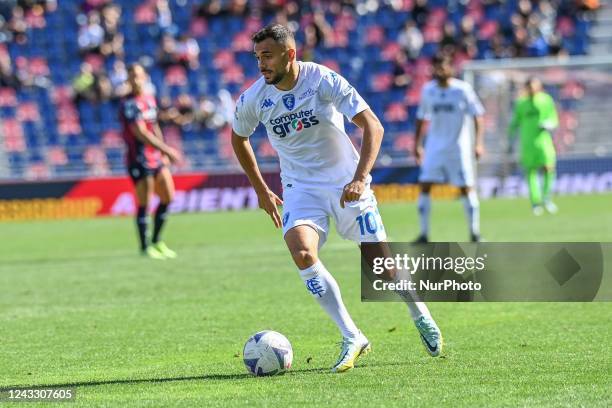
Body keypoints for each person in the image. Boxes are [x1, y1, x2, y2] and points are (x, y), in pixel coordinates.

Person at [231, 24, 442, 373]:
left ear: (290, 54)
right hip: (300, 189)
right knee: (301, 251)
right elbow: (239, 138)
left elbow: (373, 125)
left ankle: (419, 312)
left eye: (267, 56)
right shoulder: (255, 98)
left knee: (383, 269)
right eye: (257, 58)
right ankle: (352, 335)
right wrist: (261, 189)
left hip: (346, 184)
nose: (261, 65)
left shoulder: (322, 80)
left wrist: (361, 178)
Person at [413, 54, 485, 243]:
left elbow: (478, 115)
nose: (439, 71)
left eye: (443, 67)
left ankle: (474, 233)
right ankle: (424, 234)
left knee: (466, 188)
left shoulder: (462, 90)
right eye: (436, 68)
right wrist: (417, 145)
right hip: (434, 148)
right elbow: (421, 118)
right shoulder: (428, 90)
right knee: (425, 186)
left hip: (458, 149)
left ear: (451, 70)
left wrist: (478, 143)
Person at [119, 63, 181, 259]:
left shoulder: (149, 100)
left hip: (155, 157)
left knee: (168, 197)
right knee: (144, 203)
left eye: (138, 75)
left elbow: (153, 127)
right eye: (131, 77)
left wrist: (162, 152)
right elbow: (140, 132)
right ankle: (145, 247)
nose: (135, 80)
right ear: (128, 81)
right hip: (139, 158)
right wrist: (167, 150)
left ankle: (157, 241)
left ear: (144, 77)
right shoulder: (129, 103)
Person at [508, 77, 559, 215]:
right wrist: (509, 140)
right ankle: (535, 202)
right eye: (529, 86)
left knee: (549, 168)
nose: (532, 89)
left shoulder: (546, 100)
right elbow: (514, 123)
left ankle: (547, 198)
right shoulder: (521, 103)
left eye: (534, 86)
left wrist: (549, 124)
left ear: (539, 86)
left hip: (544, 141)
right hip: (527, 143)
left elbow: (554, 118)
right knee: (530, 172)